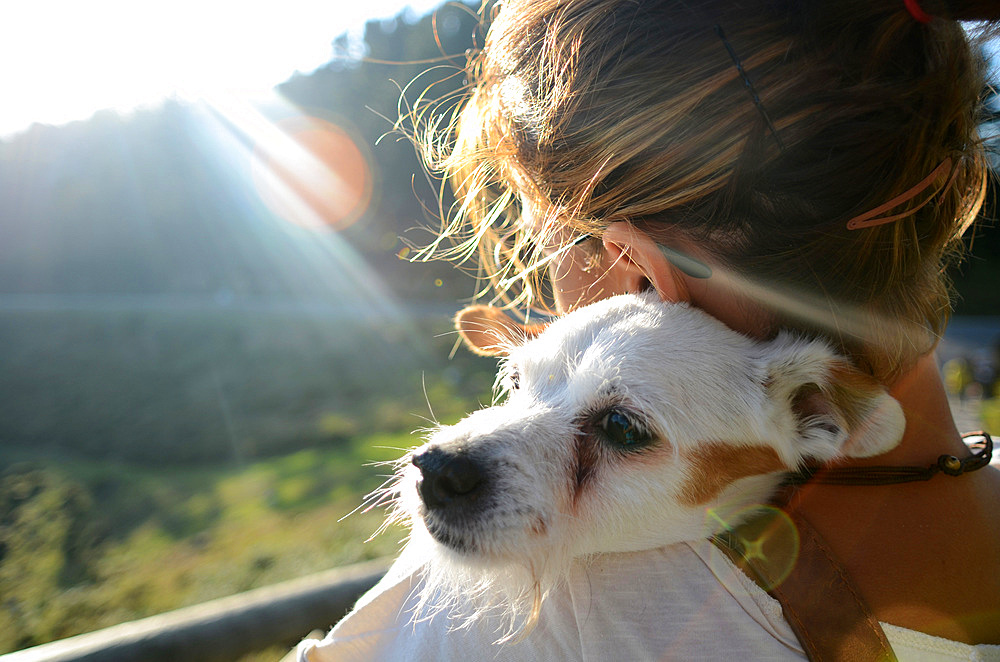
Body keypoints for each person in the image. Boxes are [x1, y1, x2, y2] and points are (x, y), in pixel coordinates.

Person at [299, 0, 1000, 659]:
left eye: (537, 233)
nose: (538, 279)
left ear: (642, 270)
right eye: (515, 377)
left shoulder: (560, 596)